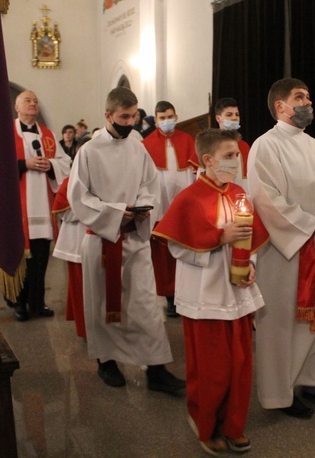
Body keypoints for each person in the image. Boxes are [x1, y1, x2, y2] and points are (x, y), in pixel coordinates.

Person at [153, 129, 269, 455]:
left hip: (239, 293)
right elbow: (178, 248)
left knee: (241, 364)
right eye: (229, 156)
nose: (236, 162)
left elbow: (249, 237)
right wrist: (219, 237)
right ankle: (206, 425)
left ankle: (234, 425)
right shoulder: (188, 198)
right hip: (206, 296)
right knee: (212, 369)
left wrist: (251, 265)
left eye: (237, 155)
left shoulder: (238, 193)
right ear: (208, 159)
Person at [68, 87, 185, 393]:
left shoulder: (137, 147)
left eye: (134, 115)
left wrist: (144, 208)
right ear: (108, 115)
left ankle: (156, 369)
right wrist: (117, 212)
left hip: (135, 240)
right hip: (103, 240)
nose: (131, 121)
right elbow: (79, 197)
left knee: (147, 304)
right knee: (103, 304)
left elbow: (150, 185)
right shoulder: (89, 152)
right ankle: (106, 362)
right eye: (124, 116)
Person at [248, 78, 315, 419]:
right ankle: (281, 394)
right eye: (299, 97)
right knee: (283, 325)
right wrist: (310, 224)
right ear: (280, 107)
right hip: (286, 253)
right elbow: (267, 200)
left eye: (309, 96)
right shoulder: (266, 146)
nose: (308, 102)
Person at [13, 90, 70, 321]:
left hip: (43, 208)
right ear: (17, 107)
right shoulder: (7, 133)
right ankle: (18, 303)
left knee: (40, 258)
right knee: (19, 260)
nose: (33, 103)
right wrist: (24, 164)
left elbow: (65, 162)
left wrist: (52, 165)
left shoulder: (48, 135)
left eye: (35, 101)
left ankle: (37, 303)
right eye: (27, 100)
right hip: (18, 209)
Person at [143, 100, 198, 317]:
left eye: (170, 117)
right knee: (163, 254)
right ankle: (170, 297)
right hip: (160, 207)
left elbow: (194, 173)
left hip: (183, 204)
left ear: (176, 117)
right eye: (162, 118)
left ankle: (185, 292)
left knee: (184, 249)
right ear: (156, 120)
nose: (167, 121)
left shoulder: (187, 140)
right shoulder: (146, 144)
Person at [51, 176, 87, 338]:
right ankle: (86, 329)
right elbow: (64, 213)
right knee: (81, 288)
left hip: (108, 239)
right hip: (78, 241)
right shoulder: (71, 180)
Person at [213, 97, 251, 191]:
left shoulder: (244, 146)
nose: (234, 118)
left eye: (237, 114)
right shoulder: (211, 145)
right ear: (218, 118)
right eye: (229, 115)